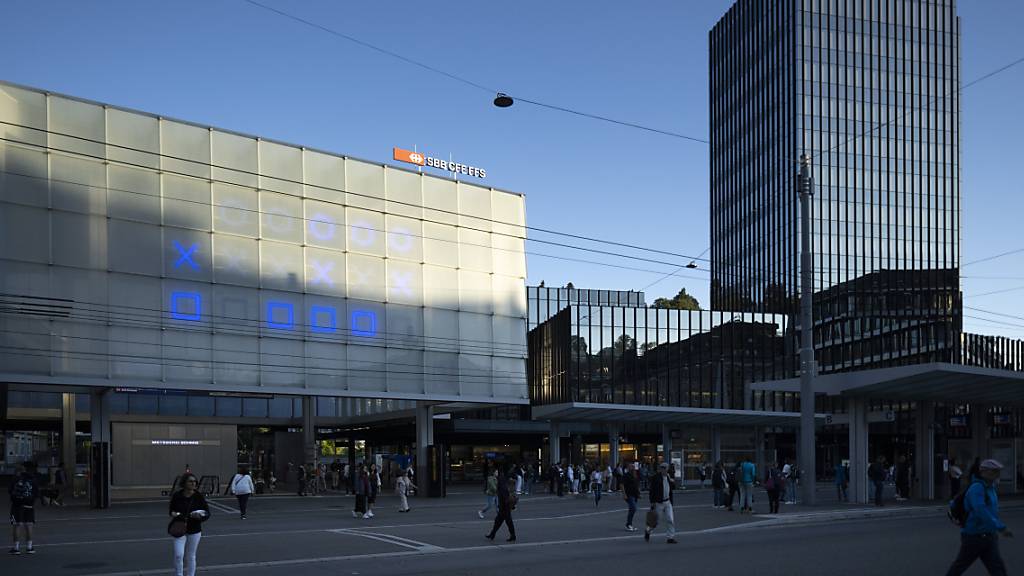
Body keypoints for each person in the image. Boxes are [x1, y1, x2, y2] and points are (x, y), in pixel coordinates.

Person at [945, 459, 1013, 576]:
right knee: (958, 567)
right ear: (983, 472)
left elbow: (990, 511)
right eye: (994, 471)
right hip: (974, 537)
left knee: (998, 569)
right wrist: (1001, 527)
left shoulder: (990, 487)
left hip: (989, 536)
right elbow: (980, 510)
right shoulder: (977, 488)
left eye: (998, 471)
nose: (997, 474)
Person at [168, 473, 211, 576]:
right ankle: (179, 574)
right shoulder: (177, 495)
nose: (193, 483)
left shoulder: (198, 496)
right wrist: (175, 514)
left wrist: (199, 516)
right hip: (179, 528)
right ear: (184, 483)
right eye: (190, 481)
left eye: (195, 481)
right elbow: (171, 510)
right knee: (178, 555)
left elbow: (207, 513)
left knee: (191, 556)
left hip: (194, 530)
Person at [8, 462, 38, 555]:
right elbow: (36, 492)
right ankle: (29, 547)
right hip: (29, 505)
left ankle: (16, 548)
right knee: (29, 525)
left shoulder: (15, 479)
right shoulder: (32, 479)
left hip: (17, 505)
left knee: (17, 525)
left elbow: (10, 491)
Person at [644, 462, 677, 544]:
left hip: (668, 501)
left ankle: (670, 537)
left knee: (670, 519)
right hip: (659, 502)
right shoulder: (656, 478)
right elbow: (652, 491)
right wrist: (652, 502)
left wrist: (672, 481)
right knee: (655, 521)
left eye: (666, 468)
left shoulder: (669, 477)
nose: (665, 470)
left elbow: (673, 488)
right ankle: (648, 531)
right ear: (661, 469)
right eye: (663, 468)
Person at [485, 468, 516, 542]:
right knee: (499, 521)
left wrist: (503, 506)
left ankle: (512, 535)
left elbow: (505, 498)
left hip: (504, 508)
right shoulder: (503, 486)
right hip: (504, 508)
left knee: (506, 522)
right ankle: (493, 534)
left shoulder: (502, 488)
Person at [621, 465, 640, 531]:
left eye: (633, 467)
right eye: (631, 467)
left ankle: (630, 524)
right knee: (633, 508)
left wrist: (638, 493)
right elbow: (621, 484)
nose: (633, 468)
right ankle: (628, 524)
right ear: (628, 468)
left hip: (635, 495)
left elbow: (636, 485)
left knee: (632, 509)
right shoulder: (626, 475)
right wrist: (624, 494)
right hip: (629, 494)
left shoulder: (635, 476)